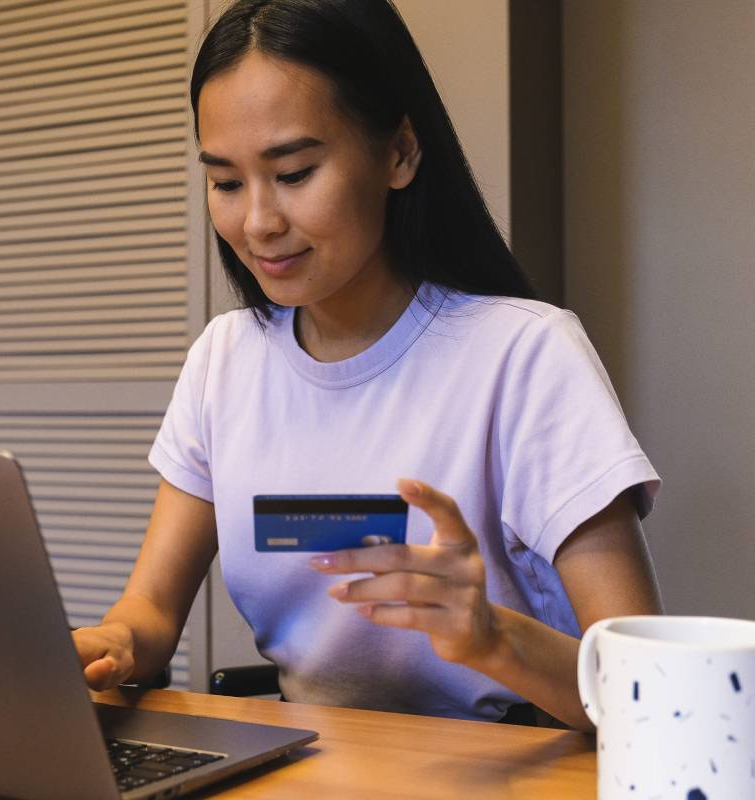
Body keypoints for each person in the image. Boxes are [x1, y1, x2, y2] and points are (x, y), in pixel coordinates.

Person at [72, 0, 661, 731]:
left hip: (509, 762)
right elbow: (152, 609)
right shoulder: (224, 361)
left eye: (294, 172)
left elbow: (648, 691)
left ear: (400, 154)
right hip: (318, 764)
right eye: (226, 182)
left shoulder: (525, 355)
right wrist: (114, 643)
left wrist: (492, 638)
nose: (258, 222)